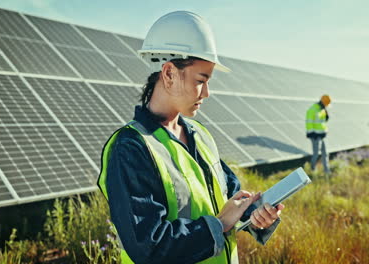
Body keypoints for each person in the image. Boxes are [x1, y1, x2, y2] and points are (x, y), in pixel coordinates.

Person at [97, 11, 284, 264]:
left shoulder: (200, 135)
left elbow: (231, 195)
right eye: (200, 80)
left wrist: (255, 216)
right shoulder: (131, 148)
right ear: (169, 73)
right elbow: (148, 247)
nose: (206, 93)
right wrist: (219, 225)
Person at [306, 95, 331, 174]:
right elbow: (309, 122)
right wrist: (312, 133)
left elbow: (322, 121)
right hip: (315, 136)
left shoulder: (322, 109)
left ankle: (326, 170)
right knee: (316, 154)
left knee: (325, 153)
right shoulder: (312, 109)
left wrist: (327, 116)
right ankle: (312, 168)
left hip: (322, 135)